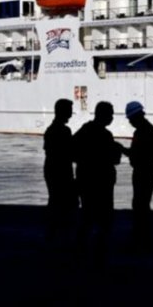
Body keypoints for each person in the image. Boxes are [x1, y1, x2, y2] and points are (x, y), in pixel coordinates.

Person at [73, 101, 123, 260]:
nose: (112, 118)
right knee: (104, 219)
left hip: (85, 180)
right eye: (111, 114)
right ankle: (99, 252)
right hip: (103, 183)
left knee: (87, 216)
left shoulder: (84, 130)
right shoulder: (106, 135)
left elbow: (72, 152)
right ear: (105, 115)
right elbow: (114, 160)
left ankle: (81, 249)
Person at [122, 101, 153, 253]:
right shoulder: (148, 129)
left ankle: (141, 239)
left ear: (135, 117)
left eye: (130, 119)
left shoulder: (142, 132)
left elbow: (137, 154)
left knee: (140, 204)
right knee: (142, 204)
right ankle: (144, 238)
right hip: (147, 169)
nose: (130, 122)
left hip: (144, 170)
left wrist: (121, 149)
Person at [43, 99, 78, 246]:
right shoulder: (64, 131)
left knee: (54, 201)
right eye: (69, 110)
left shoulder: (50, 130)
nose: (71, 113)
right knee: (65, 204)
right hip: (61, 171)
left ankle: (52, 235)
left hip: (52, 169)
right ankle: (61, 237)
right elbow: (70, 152)